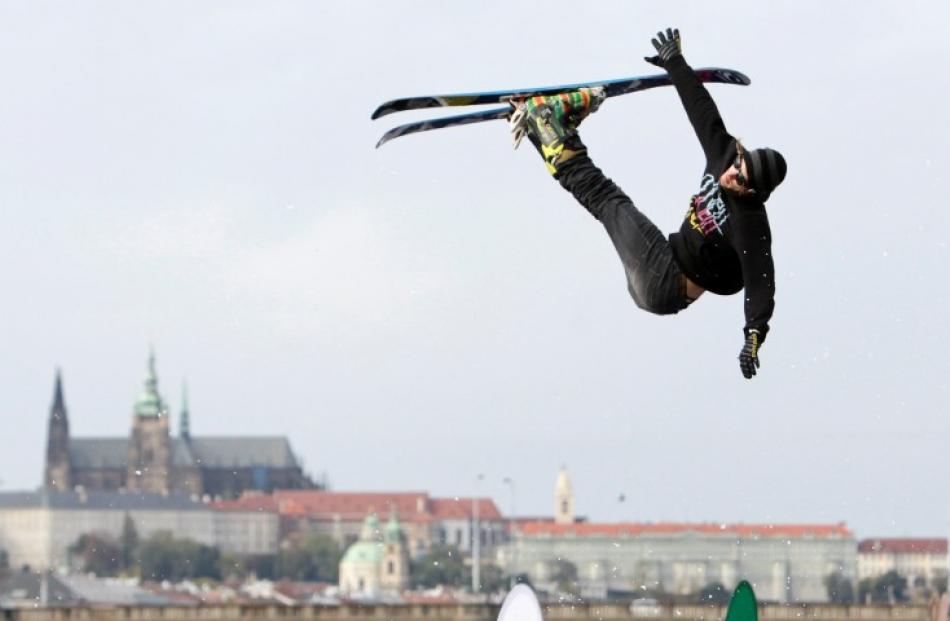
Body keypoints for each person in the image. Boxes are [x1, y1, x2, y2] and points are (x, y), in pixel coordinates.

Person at [508, 28, 787, 379]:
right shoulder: (724, 154)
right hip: (665, 261)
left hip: (665, 284)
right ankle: (540, 127)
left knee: (607, 199)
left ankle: (546, 126)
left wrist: (754, 334)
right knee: (605, 199)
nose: (731, 176)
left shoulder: (750, 224)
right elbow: (701, 111)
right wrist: (675, 62)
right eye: (737, 166)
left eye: (741, 181)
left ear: (754, 193)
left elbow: (762, 280)